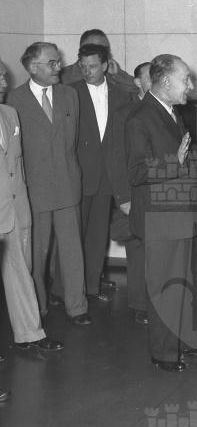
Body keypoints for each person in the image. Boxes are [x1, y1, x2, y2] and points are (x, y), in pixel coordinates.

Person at [126, 54, 197, 372]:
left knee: (191, 284)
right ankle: (164, 352)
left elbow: (182, 159)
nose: (190, 85)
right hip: (163, 219)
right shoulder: (139, 118)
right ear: (167, 81)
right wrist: (177, 161)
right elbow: (137, 172)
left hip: (187, 215)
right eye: (186, 79)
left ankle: (188, 341)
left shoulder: (170, 112)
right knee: (166, 287)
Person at [7, 42, 91, 326]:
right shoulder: (14, 100)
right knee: (36, 254)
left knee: (72, 252)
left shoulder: (69, 95)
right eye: (52, 63)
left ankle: (77, 306)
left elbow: (73, 140)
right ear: (33, 67)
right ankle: (38, 308)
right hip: (34, 190)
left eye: (58, 62)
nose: (59, 67)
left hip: (68, 185)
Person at [0, 59, 64, 355]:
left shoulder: (10, 114)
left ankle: (30, 334)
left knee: (21, 274)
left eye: (4, 77)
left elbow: (19, 168)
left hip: (15, 211)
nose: (4, 83)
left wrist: (24, 209)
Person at [71, 44, 132, 302]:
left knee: (97, 236)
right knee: (73, 237)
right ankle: (66, 291)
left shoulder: (122, 95)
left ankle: (92, 288)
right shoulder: (70, 93)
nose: (87, 71)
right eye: (83, 67)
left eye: (93, 66)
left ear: (106, 65)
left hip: (107, 177)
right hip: (79, 176)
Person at [111, 62, 151, 323]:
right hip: (134, 193)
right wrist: (124, 198)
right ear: (137, 82)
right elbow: (115, 158)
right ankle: (140, 305)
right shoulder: (123, 114)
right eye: (150, 76)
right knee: (138, 249)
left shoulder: (167, 110)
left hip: (159, 191)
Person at [61, 28, 137, 95]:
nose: (104, 53)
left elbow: (139, 90)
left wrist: (117, 75)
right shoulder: (64, 76)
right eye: (98, 49)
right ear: (84, 49)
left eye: (106, 49)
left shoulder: (112, 74)